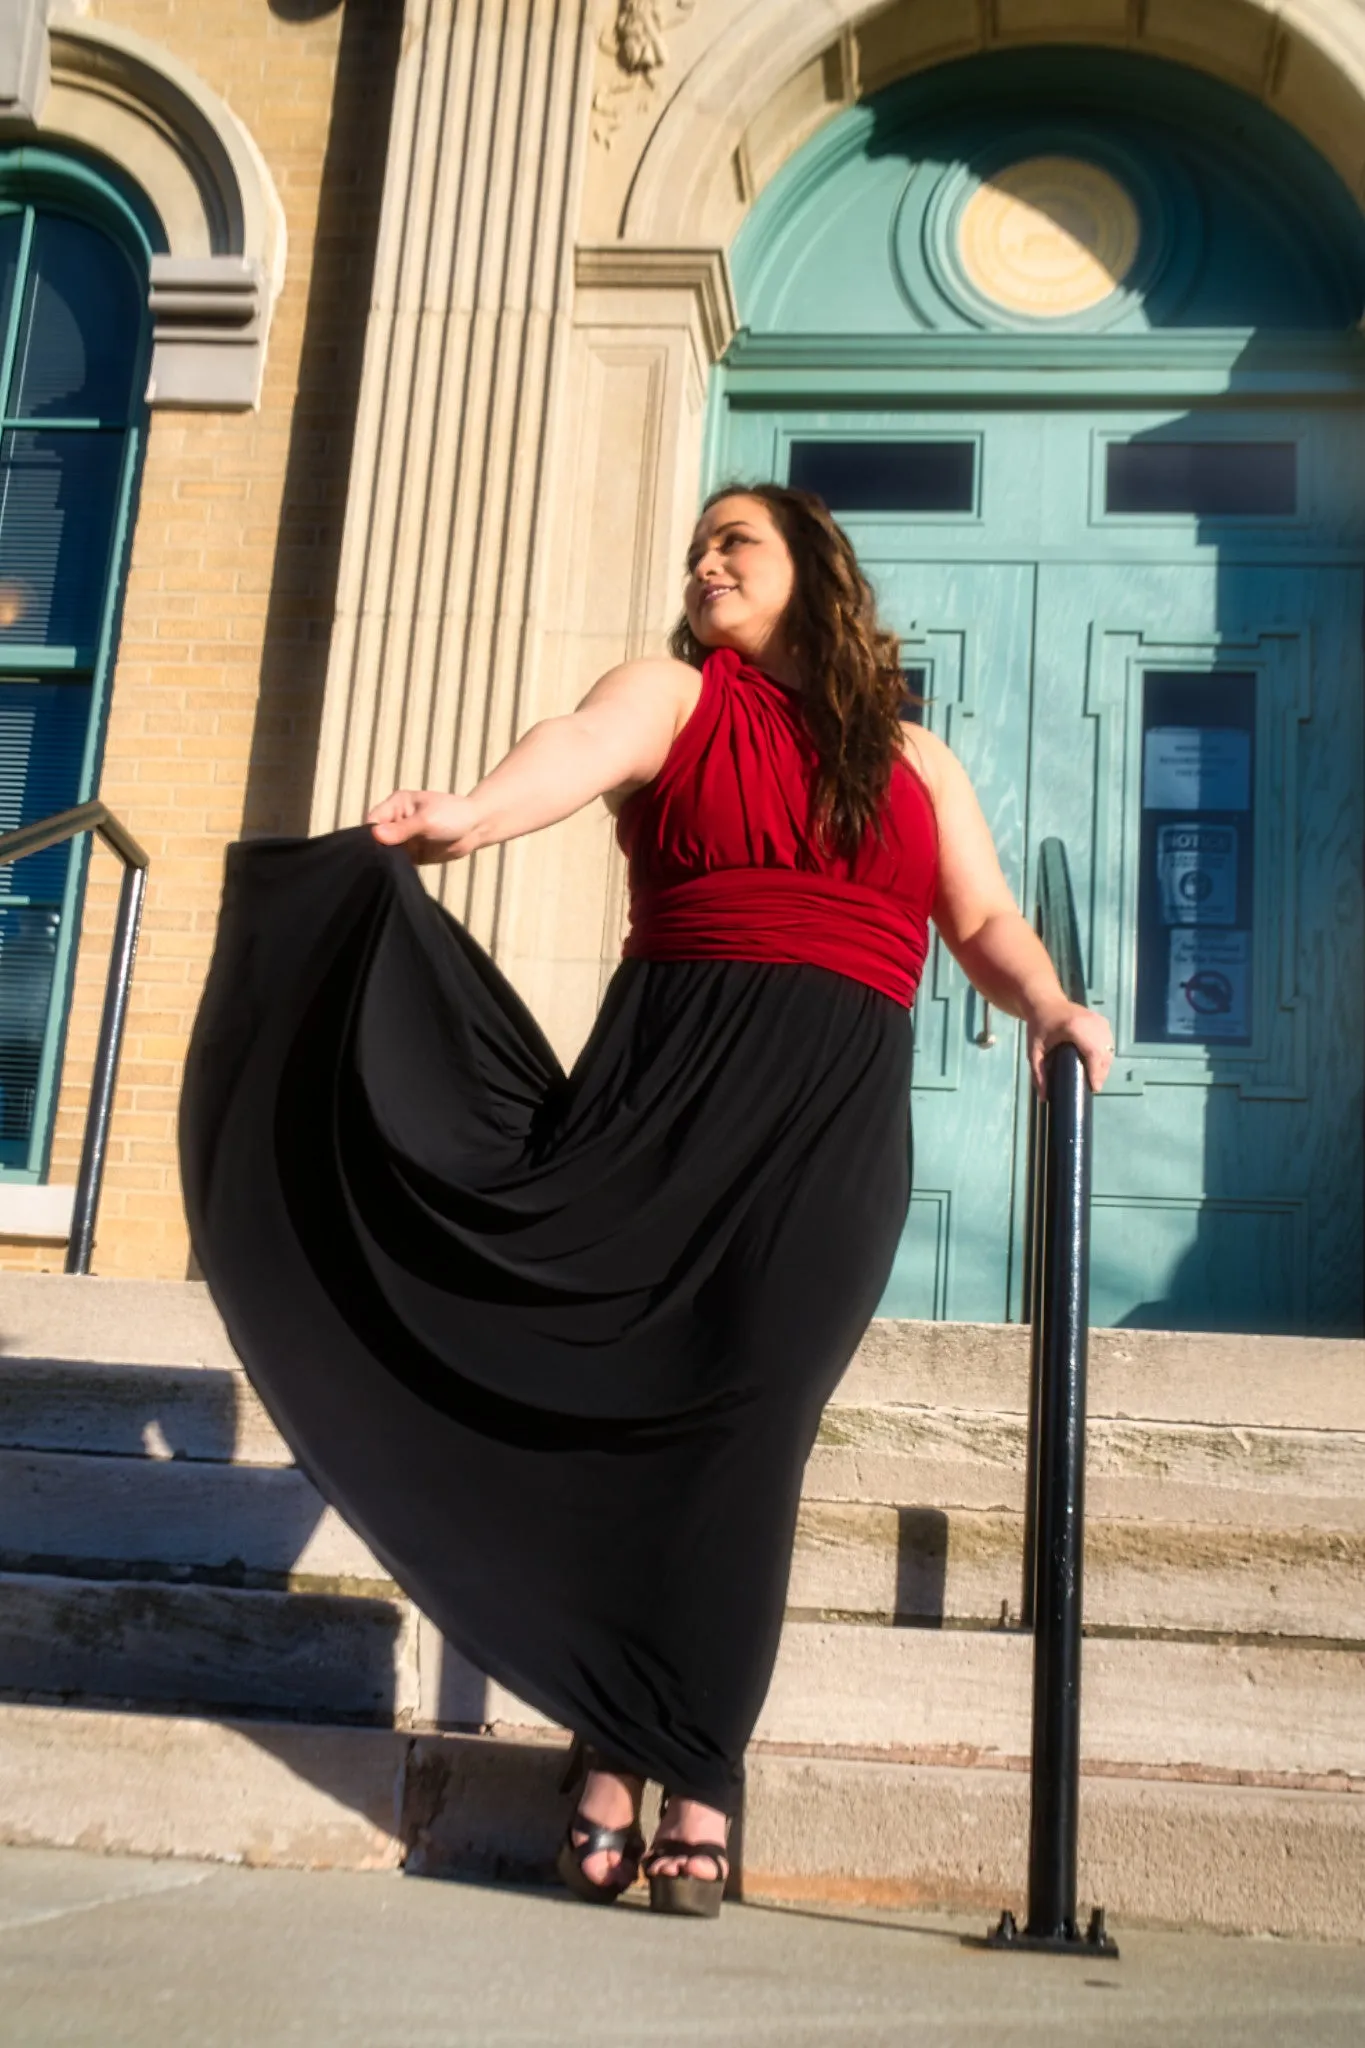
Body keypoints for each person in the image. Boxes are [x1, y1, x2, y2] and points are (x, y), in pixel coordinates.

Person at [180, 483, 1113, 1921]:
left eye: (737, 541)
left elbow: (983, 919)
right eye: (696, 546)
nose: (706, 561)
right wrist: (470, 817)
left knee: (749, 1428)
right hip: (657, 1110)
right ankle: (617, 1746)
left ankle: (701, 1773)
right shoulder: (671, 697)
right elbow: (570, 752)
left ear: (815, 570)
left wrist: (1048, 1004)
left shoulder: (915, 759)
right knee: (633, 1423)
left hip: (827, 1139)